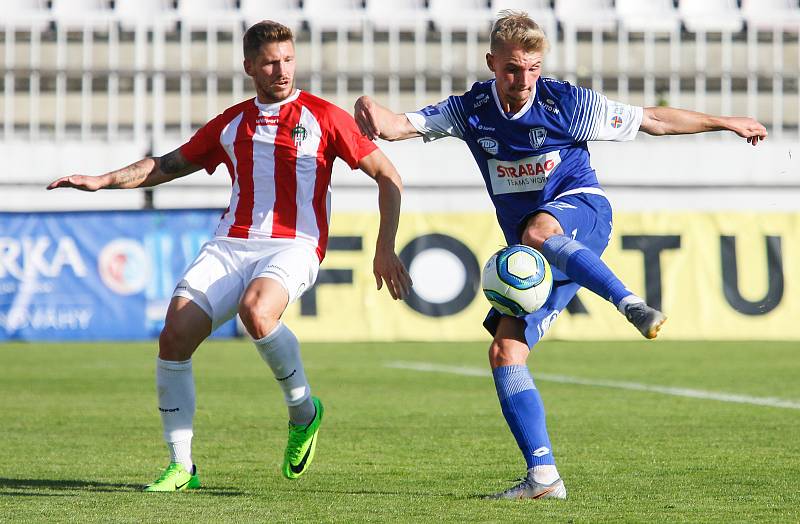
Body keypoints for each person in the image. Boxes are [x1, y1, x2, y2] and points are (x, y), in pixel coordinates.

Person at [353, 10, 767, 500]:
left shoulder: (566, 102)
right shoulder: (469, 110)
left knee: (536, 229)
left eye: (532, 68)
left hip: (582, 215)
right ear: (492, 63)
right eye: (511, 69)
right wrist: (366, 106)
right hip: (542, 255)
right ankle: (544, 477)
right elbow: (399, 126)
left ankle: (629, 303)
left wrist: (724, 121)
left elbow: (652, 119)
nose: (523, 80)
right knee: (505, 353)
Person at [47, 20, 412, 492]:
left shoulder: (325, 117)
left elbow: (388, 175)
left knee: (256, 312)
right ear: (249, 67)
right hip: (230, 244)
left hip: (295, 244)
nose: (281, 70)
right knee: (174, 336)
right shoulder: (233, 123)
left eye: (287, 60)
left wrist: (385, 247)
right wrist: (101, 181)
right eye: (269, 62)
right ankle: (182, 467)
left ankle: (304, 412)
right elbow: (167, 164)